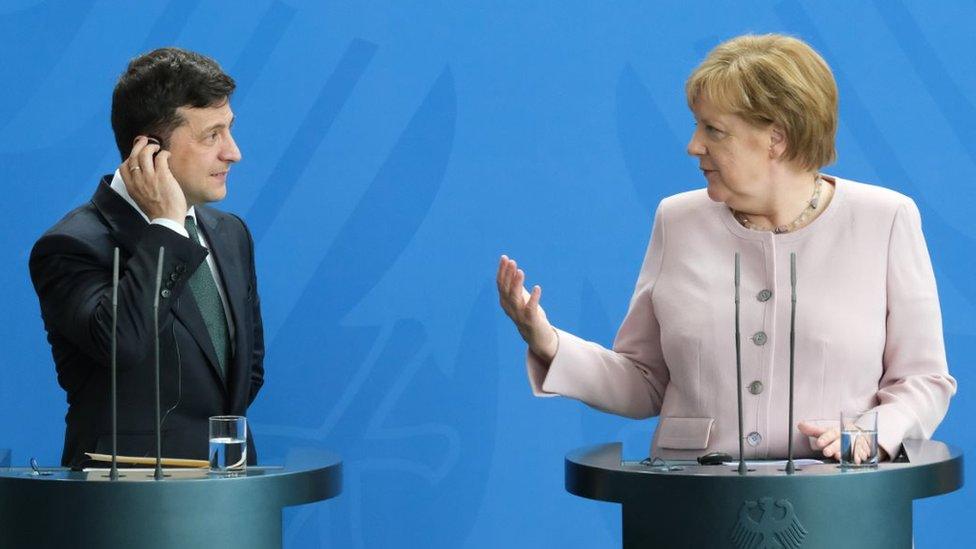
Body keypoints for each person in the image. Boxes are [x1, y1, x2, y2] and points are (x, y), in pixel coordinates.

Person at [497, 34, 956, 463]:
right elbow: (644, 381)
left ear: (776, 138)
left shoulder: (886, 219)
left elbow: (923, 382)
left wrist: (867, 435)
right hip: (691, 506)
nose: (693, 146)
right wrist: (548, 343)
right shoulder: (676, 220)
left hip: (839, 509)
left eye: (713, 130)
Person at [30, 48, 264, 467]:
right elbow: (122, 344)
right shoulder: (70, 244)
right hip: (127, 511)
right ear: (150, 151)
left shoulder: (232, 234)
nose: (233, 152)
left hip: (233, 503)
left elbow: (246, 372)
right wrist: (167, 228)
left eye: (229, 130)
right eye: (212, 135)